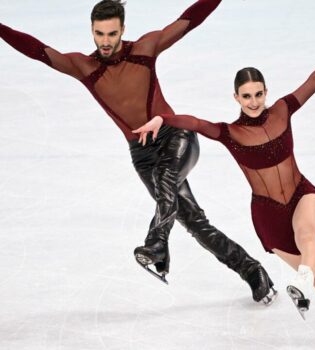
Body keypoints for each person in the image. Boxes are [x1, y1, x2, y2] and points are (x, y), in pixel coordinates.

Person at [0, 0, 276, 303]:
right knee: (193, 222)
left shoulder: (145, 49)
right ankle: (253, 272)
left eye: (112, 33)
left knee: (165, 179)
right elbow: (38, 51)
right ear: (92, 32)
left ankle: (156, 242)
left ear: (123, 30)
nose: (105, 41)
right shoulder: (85, 67)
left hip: (175, 135)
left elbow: (188, 20)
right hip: (142, 154)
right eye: (99, 34)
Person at [133, 49, 315, 320]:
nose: (254, 101)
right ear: (236, 97)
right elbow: (196, 123)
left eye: (258, 94)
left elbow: (314, 82)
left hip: (300, 195)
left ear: (266, 92)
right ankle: (309, 283)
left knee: (306, 235)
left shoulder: (282, 110)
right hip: (269, 214)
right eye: (246, 96)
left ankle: (302, 283)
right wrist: (162, 119)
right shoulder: (231, 133)